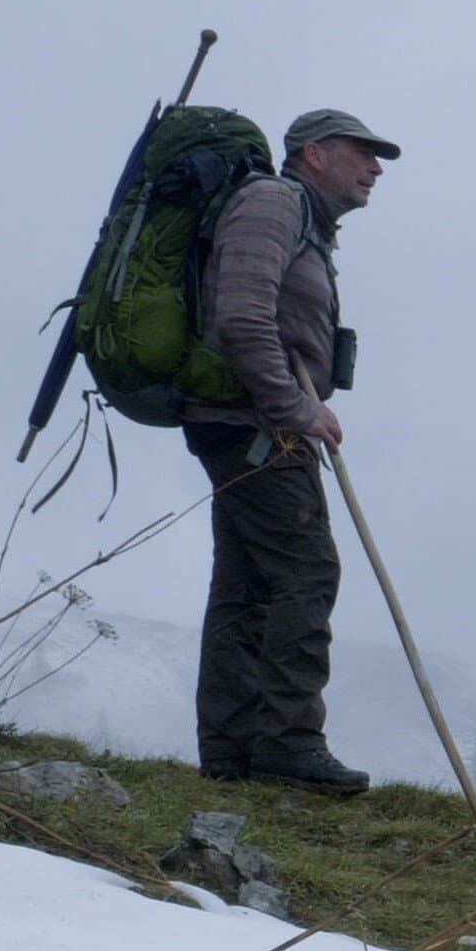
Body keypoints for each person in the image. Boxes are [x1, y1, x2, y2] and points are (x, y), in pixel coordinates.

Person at [176, 107, 399, 795]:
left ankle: (233, 751)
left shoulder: (304, 221)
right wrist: (297, 410)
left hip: (248, 420)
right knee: (307, 571)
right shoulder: (274, 204)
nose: (375, 167)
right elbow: (242, 319)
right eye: (361, 152)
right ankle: (288, 744)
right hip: (255, 425)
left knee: (247, 584)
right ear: (313, 154)